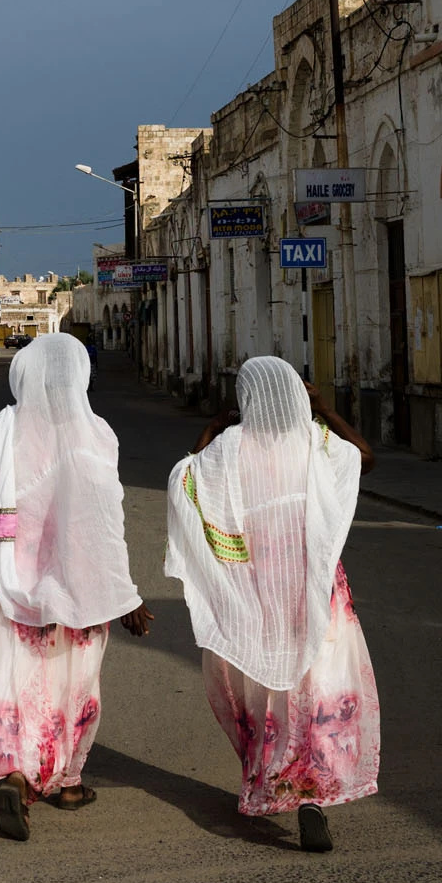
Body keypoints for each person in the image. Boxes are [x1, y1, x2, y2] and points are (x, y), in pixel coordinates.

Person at [0, 332, 149, 840]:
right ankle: (66, 783)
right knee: (72, 687)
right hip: (78, 593)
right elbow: (105, 520)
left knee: (18, 688)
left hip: (13, 588)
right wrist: (126, 595)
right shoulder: (96, 435)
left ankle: (17, 777)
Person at [165, 355, 378, 852]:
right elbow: (363, 456)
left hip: (258, 596)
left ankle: (276, 780)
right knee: (316, 689)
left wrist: (214, 427)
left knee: (270, 695)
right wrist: (323, 409)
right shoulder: (315, 443)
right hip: (316, 593)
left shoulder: (230, 449)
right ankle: (312, 794)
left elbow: (186, 481)